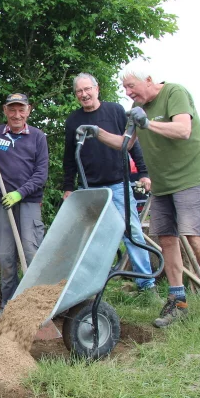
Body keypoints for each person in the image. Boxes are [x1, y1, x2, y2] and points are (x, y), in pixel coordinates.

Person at [83, 61, 200, 328]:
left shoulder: (174, 93)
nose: (128, 92)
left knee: (194, 237)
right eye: (124, 88)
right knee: (166, 239)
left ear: (149, 79)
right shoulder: (136, 111)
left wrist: (148, 123)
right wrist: (98, 133)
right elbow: (126, 143)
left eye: (131, 86)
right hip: (163, 185)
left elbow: (183, 130)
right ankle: (178, 302)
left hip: (191, 179)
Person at [63, 72, 156, 294]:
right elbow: (69, 157)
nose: (84, 94)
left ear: (97, 89)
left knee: (131, 231)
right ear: (76, 95)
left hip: (118, 184)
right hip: (90, 188)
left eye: (88, 89)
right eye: (79, 91)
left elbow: (132, 143)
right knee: (93, 237)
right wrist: (68, 187)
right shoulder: (73, 120)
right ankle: (93, 286)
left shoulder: (114, 110)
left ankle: (146, 285)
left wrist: (143, 172)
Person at [0, 93, 49, 321]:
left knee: (30, 253)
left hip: (27, 202)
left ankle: (36, 308)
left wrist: (20, 193)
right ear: (5, 111)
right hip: (2, 203)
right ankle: (8, 305)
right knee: (6, 257)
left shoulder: (38, 137)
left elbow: (41, 174)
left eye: (21, 110)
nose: (17, 115)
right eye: (12, 110)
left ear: (29, 110)